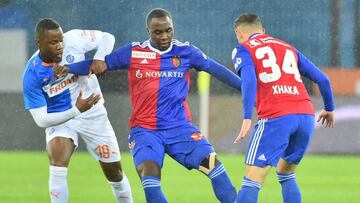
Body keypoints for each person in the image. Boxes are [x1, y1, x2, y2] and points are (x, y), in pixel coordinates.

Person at [57, 8, 243, 203]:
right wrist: (68, 68)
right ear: (148, 31)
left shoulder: (187, 52)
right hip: (145, 132)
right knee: (150, 180)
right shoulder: (134, 52)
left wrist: (248, 90)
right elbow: (98, 64)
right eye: (158, 32)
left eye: (168, 30)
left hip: (180, 129)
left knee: (216, 168)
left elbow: (218, 70)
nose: (164, 36)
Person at [22, 18, 133, 203]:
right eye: (53, 42)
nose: (60, 46)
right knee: (57, 163)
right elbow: (41, 120)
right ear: (39, 43)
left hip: (93, 112)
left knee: (115, 173)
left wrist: (99, 57)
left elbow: (107, 37)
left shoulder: (73, 39)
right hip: (62, 118)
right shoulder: (32, 74)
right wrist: (76, 110)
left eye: (60, 41)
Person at [231, 13, 335, 203]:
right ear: (263, 31)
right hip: (305, 115)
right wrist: (329, 108)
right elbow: (323, 79)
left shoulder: (243, 49)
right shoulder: (288, 47)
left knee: (253, 177)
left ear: (239, 33)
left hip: (276, 117)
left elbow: (249, 80)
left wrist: (247, 116)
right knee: (287, 173)